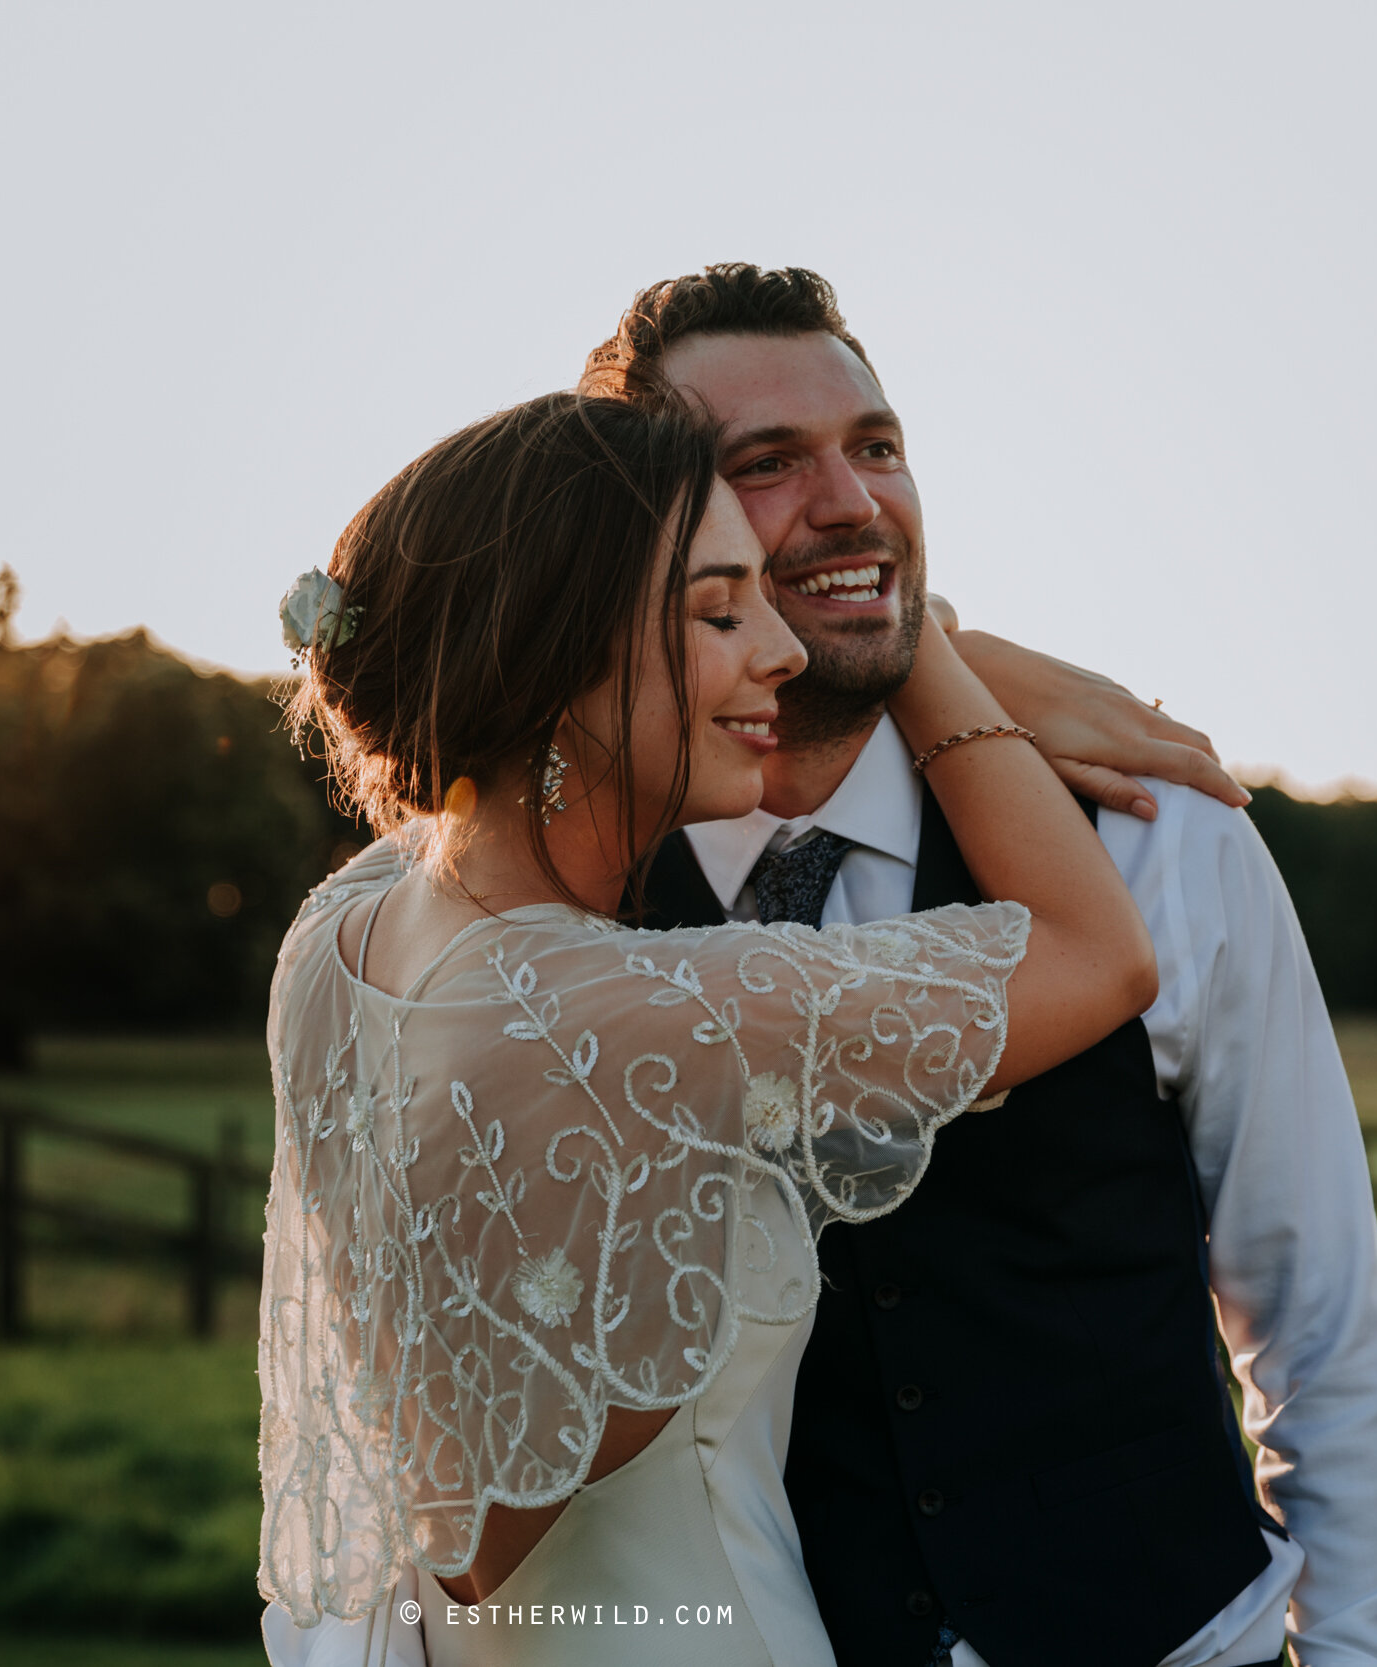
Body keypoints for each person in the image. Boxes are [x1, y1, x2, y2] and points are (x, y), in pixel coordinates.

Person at [580, 265, 1377, 1667]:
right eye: (767, 464)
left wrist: (1372, 1654)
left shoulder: (1159, 833)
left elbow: (1321, 1318)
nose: (857, 500)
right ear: (638, 537)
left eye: (877, 445)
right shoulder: (570, 897)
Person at [259, 391, 1167, 1667]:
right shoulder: (654, 1015)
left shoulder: (342, 935)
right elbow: (1097, 952)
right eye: (717, 610)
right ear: (554, 653)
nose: (784, 652)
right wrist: (930, 659)